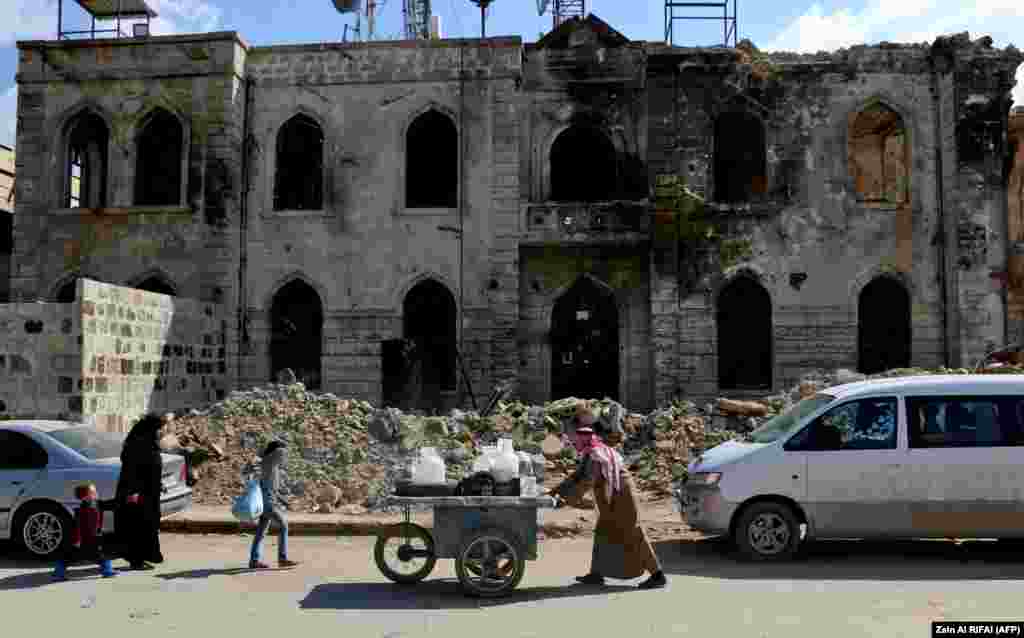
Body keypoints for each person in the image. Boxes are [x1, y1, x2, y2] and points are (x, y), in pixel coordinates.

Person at [553, 412, 667, 590]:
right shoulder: (590, 451)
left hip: (621, 494)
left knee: (633, 531)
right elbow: (576, 476)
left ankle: (657, 574)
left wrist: (564, 500)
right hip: (608, 495)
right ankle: (596, 574)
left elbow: (586, 482)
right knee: (602, 531)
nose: (570, 438)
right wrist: (553, 492)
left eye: (572, 434)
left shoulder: (596, 454)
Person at [113, 413, 165, 571]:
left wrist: (158, 483)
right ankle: (136, 560)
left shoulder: (147, 441)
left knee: (147, 525)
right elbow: (131, 471)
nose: (160, 432)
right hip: (137, 494)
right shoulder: (137, 444)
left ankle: (144, 557)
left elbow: (151, 468)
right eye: (158, 429)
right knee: (137, 526)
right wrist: (133, 491)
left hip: (148, 493)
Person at [249, 440, 300, 569]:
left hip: (267, 502)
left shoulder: (273, 467)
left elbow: (272, 490)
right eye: (282, 453)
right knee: (283, 526)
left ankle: (254, 560)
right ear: (276, 452)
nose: (284, 455)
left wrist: (285, 502)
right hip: (268, 504)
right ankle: (282, 558)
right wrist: (277, 447)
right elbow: (274, 452)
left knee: (261, 532)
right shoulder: (269, 462)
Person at [52, 483, 117, 581]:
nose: (96, 493)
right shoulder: (83, 510)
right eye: (93, 492)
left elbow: (110, 504)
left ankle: (58, 573)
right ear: (86, 496)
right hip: (85, 541)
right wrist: (77, 540)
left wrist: (127, 499)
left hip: (89, 540)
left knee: (71, 558)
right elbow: (78, 526)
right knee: (100, 557)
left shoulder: (96, 504)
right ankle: (107, 571)